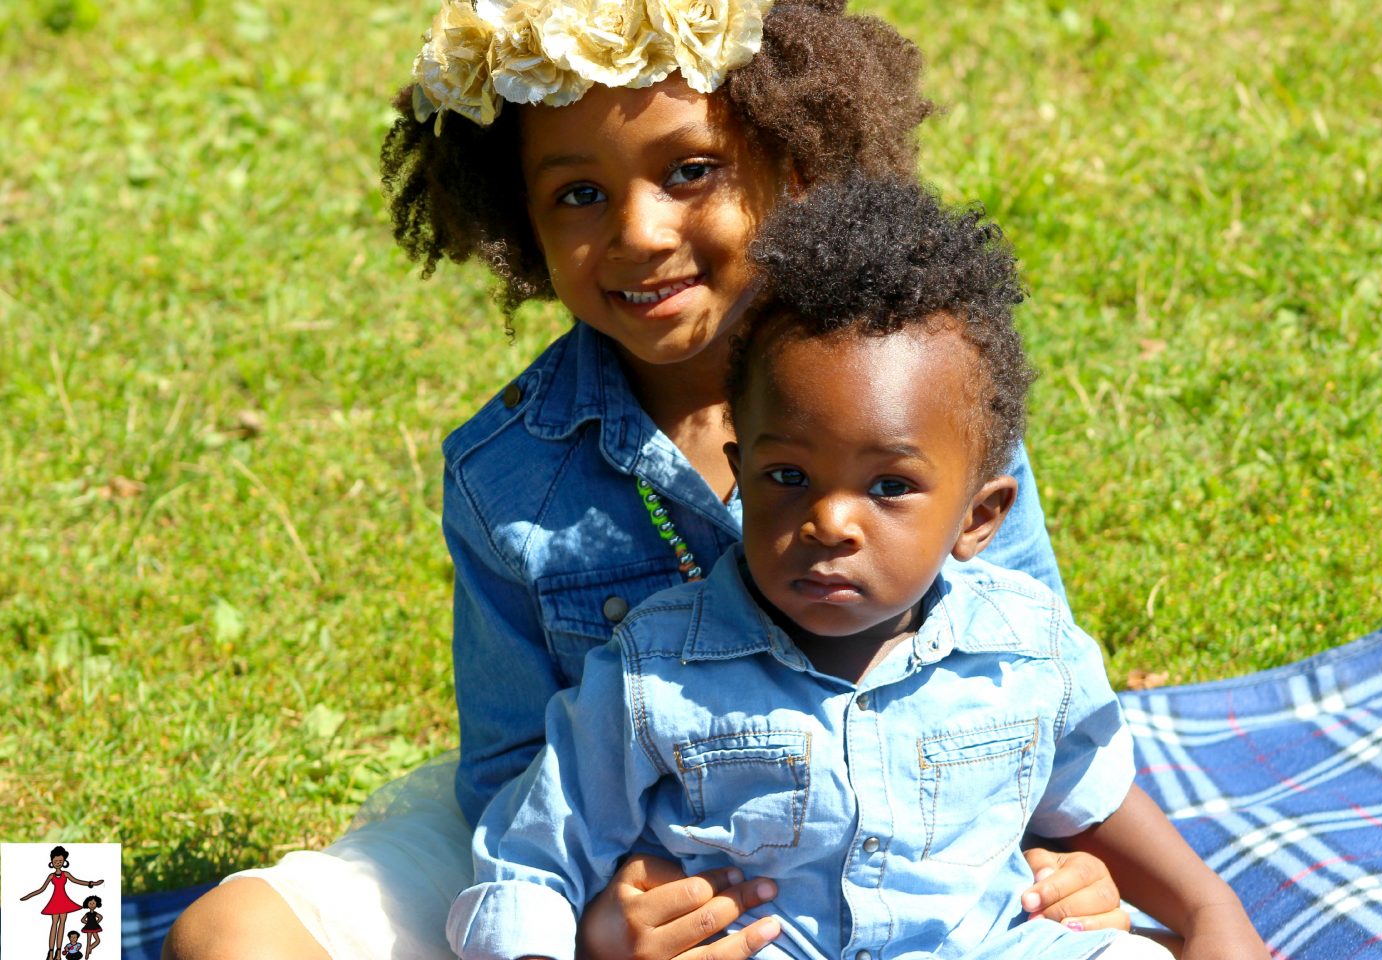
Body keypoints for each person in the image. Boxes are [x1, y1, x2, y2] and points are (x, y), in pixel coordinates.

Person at [164, 2, 1130, 957]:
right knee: (227, 933)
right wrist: (595, 923)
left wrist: (1062, 854)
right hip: (587, 858)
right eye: (578, 195)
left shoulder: (922, 406)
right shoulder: (506, 475)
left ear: (792, 166)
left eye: (691, 171)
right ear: (520, 216)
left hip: (905, 858)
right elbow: (510, 773)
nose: (638, 231)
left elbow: (1026, 681)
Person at [449, 177, 1266, 960]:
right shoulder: (652, 679)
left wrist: (1207, 911)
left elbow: (1089, 795)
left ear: (979, 518)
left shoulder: (1024, 648)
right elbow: (533, 857)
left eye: (889, 486)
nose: (831, 520)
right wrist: (585, 939)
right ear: (743, 471)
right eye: (789, 478)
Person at [19, 846, 104, 960]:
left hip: (64, 901)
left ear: (64, 861)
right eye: (55, 861)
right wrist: (29, 896)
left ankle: (58, 953)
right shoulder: (51, 876)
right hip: (55, 901)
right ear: (52, 862)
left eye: (60, 861)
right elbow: (41, 889)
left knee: (62, 925)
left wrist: (91, 883)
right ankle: (50, 952)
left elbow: (77, 881)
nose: (58, 863)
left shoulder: (66, 874)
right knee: (54, 924)